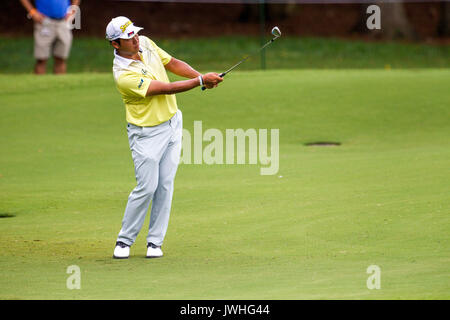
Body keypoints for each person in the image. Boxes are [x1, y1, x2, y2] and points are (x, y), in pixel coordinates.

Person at [106, 16, 223, 259]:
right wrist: (200, 81)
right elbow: (163, 88)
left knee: (165, 185)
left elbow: (172, 63)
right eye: (129, 38)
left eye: (136, 33)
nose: (136, 39)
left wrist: (201, 78)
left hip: (172, 123)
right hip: (145, 133)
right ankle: (124, 240)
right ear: (116, 44)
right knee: (146, 187)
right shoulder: (123, 75)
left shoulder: (146, 43)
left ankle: (154, 243)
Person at [20, 0, 80, 74]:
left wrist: (72, 11)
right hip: (44, 22)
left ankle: (60, 84)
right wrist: (32, 12)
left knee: (61, 58)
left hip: (63, 22)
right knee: (41, 59)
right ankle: (39, 84)